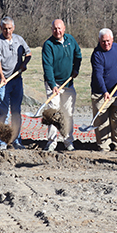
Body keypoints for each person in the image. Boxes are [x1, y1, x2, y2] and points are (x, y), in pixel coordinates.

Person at [0, 17, 32, 150]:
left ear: (13, 28)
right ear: (1, 28)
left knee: (16, 111)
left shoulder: (19, 39)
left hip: (16, 80)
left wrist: (24, 64)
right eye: (5, 29)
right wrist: (2, 77)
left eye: (9, 28)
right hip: (2, 81)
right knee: (3, 112)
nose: (7, 31)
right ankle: (2, 141)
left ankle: (16, 140)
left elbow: (29, 53)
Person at [42, 19, 82, 151]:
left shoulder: (70, 40)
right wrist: (52, 84)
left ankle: (68, 141)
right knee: (54, 113)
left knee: (67, 113)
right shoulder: (48, 45)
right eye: (54, 28)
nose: (57, 31)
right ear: (51, 29)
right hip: (53, 83)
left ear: (64, 28)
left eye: (59, 28)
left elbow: (78, 55)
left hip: (68, 83)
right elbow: (47, 66)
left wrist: (76, 69)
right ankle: (52, 142)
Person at [90, 28, 117, 152]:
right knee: (101, 120)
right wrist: (104, 92)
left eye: (108, 41)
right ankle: (104, 146)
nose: (106, 44)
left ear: (112, 39)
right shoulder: (97, 54)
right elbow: (98, 75)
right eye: (103, 41)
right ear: (99, 40)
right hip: (100, 93)